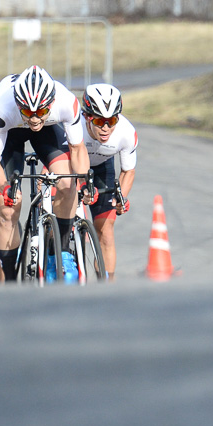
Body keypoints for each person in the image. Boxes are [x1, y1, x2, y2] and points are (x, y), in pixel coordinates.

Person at [0, 65, 90, 282]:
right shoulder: (2, 109)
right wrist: (5, 188)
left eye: (40, 112)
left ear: (50, 103)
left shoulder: (67, 102)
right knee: (9, 208)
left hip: (48, 132)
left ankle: (60, 251)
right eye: (28, 112)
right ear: (19, 104)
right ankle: (10, 277)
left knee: (67, 184)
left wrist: (84, 182)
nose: (33, 119)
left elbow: (78, 149)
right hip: (11, 133)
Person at [78, 83, 137, 279]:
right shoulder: (74, 125)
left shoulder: (126, 133)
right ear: (87, 117)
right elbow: (56, 159)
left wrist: (121, 198)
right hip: (73, 165)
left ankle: (108, 289)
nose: (105, 128)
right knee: (62, 217)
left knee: (106, 232)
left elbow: (128, 171)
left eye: (111, 121)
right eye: (99, 121)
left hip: (102, 168)